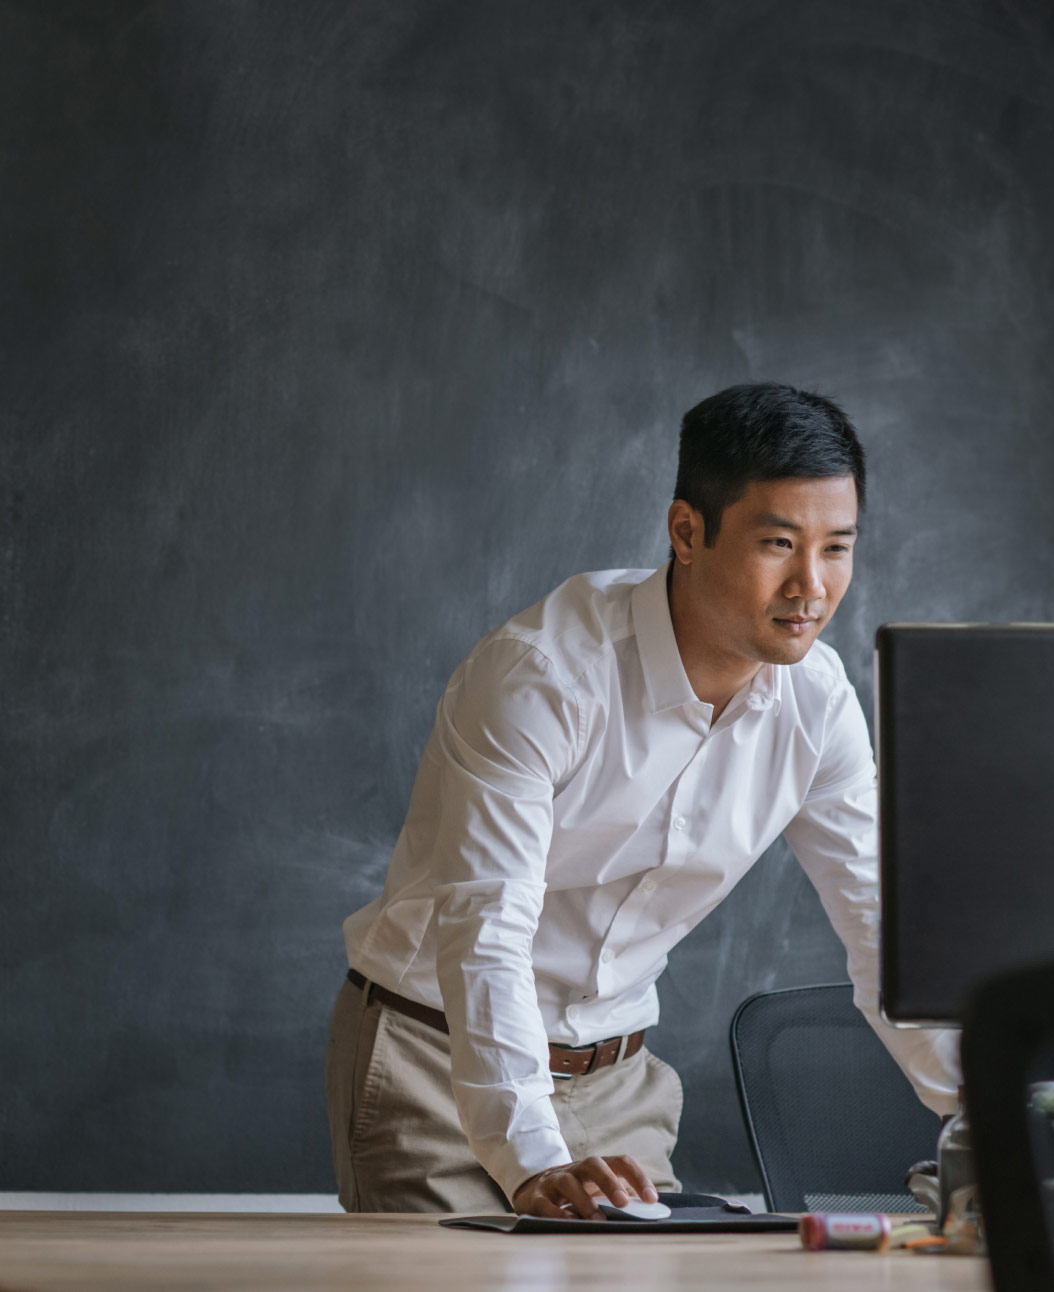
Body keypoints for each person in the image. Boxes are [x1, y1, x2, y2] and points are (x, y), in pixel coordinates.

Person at [325, 382, 959, 1217]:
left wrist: (983, 1113)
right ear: (687, 532)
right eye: (778, 542)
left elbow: (882, 929)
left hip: (618, 1086)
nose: (811, 585)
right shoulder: (543, 676)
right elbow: (487, 933)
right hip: (433, 1059)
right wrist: (529, 1161)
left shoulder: (819, 703)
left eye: (837, 547)